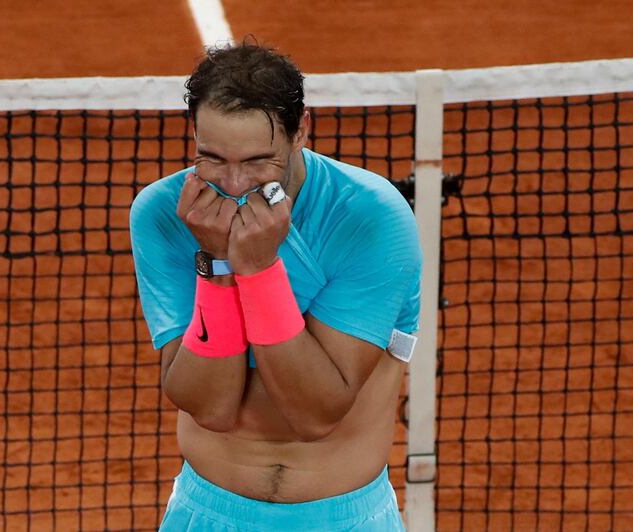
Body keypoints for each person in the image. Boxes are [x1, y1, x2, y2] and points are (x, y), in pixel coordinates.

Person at [129, 40, 422, 531]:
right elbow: (210, 406)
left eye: (258, 161)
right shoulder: (165, 213)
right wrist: (218, 262)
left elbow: (314, 413)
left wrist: (259, 270)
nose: (235, 183)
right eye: (213, 158)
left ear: (300, 130)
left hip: (342, 518)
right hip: (207, 514)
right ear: (193, 134)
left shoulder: (370, 218)